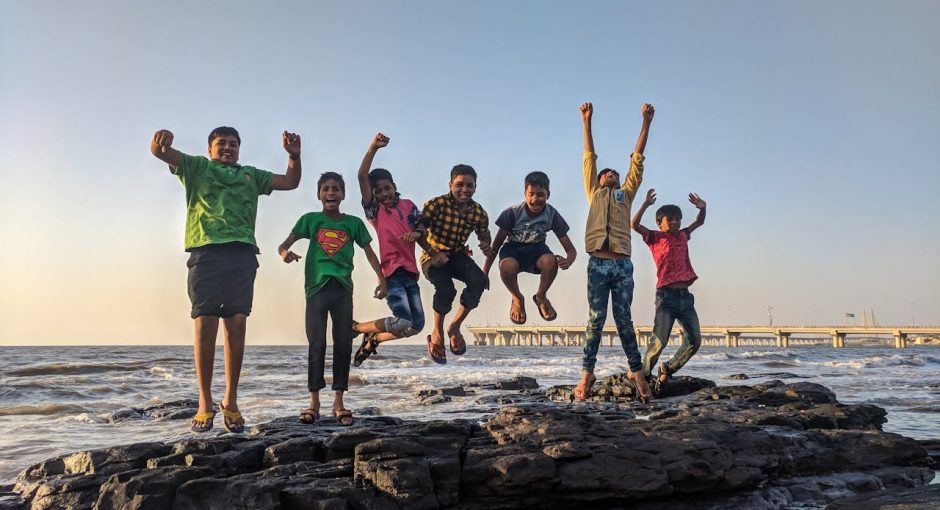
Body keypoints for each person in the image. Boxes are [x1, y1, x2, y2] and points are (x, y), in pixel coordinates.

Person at [150, 127, 301, 433]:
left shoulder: (250, 175)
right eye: (222, 144)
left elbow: (290, 182)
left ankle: (230, 400)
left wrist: (293, 156)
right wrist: (161, 141)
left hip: (242, 254)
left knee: (236, 323)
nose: (228, 148)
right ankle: (205, 401)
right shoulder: (197, 167)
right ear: (210, 149)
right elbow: (160, 153)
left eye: (233, 144)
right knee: (205, 322)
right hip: (205, 252)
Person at [278, 172, 386, 426]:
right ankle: (314, 401)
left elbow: (370, 253)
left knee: (342, 344)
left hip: (342, 289)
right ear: (319, 195)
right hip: (316, 288)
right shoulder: (310, 220)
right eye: (326, 189)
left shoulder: (353, 223)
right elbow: (284, 244)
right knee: (316, 345)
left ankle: (339, 401)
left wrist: (382, 279)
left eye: (336, 189)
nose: (331, 193)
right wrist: (284, 252)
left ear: (343, 194)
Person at [573, 101, 655, 403]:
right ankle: (587, 372)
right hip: (597, 263)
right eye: (605, 174)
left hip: (621, 266)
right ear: (597, 181)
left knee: (623, 320)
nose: (610, 175)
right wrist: (586, 121)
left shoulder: (625, 195)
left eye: (614, 174)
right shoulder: (593, 193)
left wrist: (645, 122)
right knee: (595, 320)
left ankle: (635, 371)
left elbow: (637, 161)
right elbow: (588, 158)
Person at [350, 133, 427, 366]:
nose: (384, 194)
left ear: (394, 186)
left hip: (411, 273)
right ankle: (356, 327)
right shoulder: (376, 213)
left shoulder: (408, 206)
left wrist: (419, 233)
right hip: (392, 273)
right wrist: (374, 147)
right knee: (403, 321)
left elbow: (423, 225)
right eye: (379, 192)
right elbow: (362, 176)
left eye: (387, 188)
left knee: (417, 326)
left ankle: (374, 339)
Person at [632, 189, 707, 394]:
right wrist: (646, 204)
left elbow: (698, 222)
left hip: (686, 298)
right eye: (670, 220)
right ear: (660, 223)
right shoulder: (654, 237)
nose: (675, 223)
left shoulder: (683, 235)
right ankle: (644, 377)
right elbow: (634, 225)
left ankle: (668, 368)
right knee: (659, 341)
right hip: (666, 297)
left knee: (694, 340)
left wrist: (703, 208)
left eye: (678, 219)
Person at [482, 171, 577, 324]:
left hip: (537, 250)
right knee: (507, 266)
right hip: (513, 250)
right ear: (525, 193)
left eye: (540, 195)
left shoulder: (551, 214)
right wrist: (484, 272)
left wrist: (568, 260)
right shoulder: (512, 213)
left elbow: (571, 249)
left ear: (548, 195)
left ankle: (541, 296)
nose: (535, 199)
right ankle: (517, 298)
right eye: (531, 194)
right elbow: (496, 245)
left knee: (550, 260)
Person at [421, 164, 493, 364]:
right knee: (446, 289)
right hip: (432, 256)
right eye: (459, 185)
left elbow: (484, 234)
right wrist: (433, 253)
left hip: (457, 255)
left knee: (479, 281)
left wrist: (485, 245)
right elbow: (419, 232)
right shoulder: (436, 204)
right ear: (450, 184)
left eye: (469, 185)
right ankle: (437, 332)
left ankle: (454, 327)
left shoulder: (478, 212)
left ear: (475, 187)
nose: (464, 189)